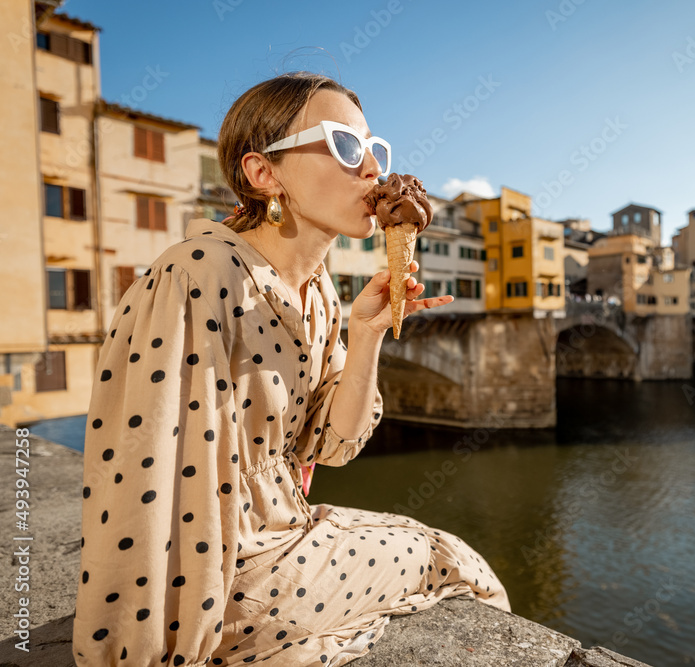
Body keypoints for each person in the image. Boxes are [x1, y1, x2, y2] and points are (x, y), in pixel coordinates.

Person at [72, 71, 511, 667]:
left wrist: (365, 337)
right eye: (345, 145)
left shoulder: (322, 295)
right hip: (218, 580)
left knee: (445, 556)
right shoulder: (197, 277)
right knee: (456, 563)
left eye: (375, 150)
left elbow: (333, 447)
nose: (372, 170)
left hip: (286, 535)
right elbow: (139, 479)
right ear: (264, 173)